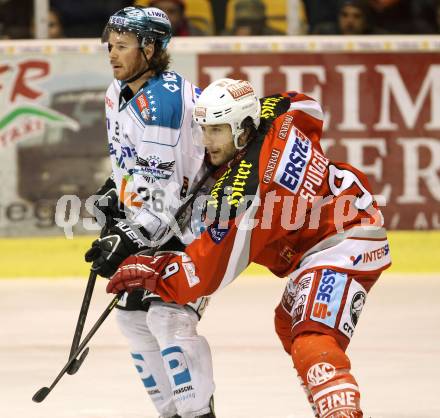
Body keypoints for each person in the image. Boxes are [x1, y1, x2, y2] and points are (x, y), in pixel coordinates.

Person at [107, 78, 392, 417]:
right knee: (287, 323)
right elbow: (307, 105)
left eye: (216, 131)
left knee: (312, 337)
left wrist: (152, 271)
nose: (205, 141)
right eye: (203, 129)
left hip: (342, 240)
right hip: (342, 218)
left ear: (242, 130)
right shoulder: (279, 113)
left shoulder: (243, 194)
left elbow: (205, 273)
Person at [85, 6, 215, 418]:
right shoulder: (118, 91)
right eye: (110, 46)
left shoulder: (164, 105)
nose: (112, 54)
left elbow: (169, 195)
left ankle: (197, 414)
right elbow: (133, 163)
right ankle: (172, 413)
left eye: (122, 46)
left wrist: (125, 237)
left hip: (198, 224)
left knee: (168, 320)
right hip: (160, 221)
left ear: (150, 47)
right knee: (133, 321)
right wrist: (115, 188)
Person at [134, 0, 210, 35]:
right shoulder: (136, 37)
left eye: (171, 11)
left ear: (181, 16)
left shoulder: (197, 36)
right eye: (158, 11)